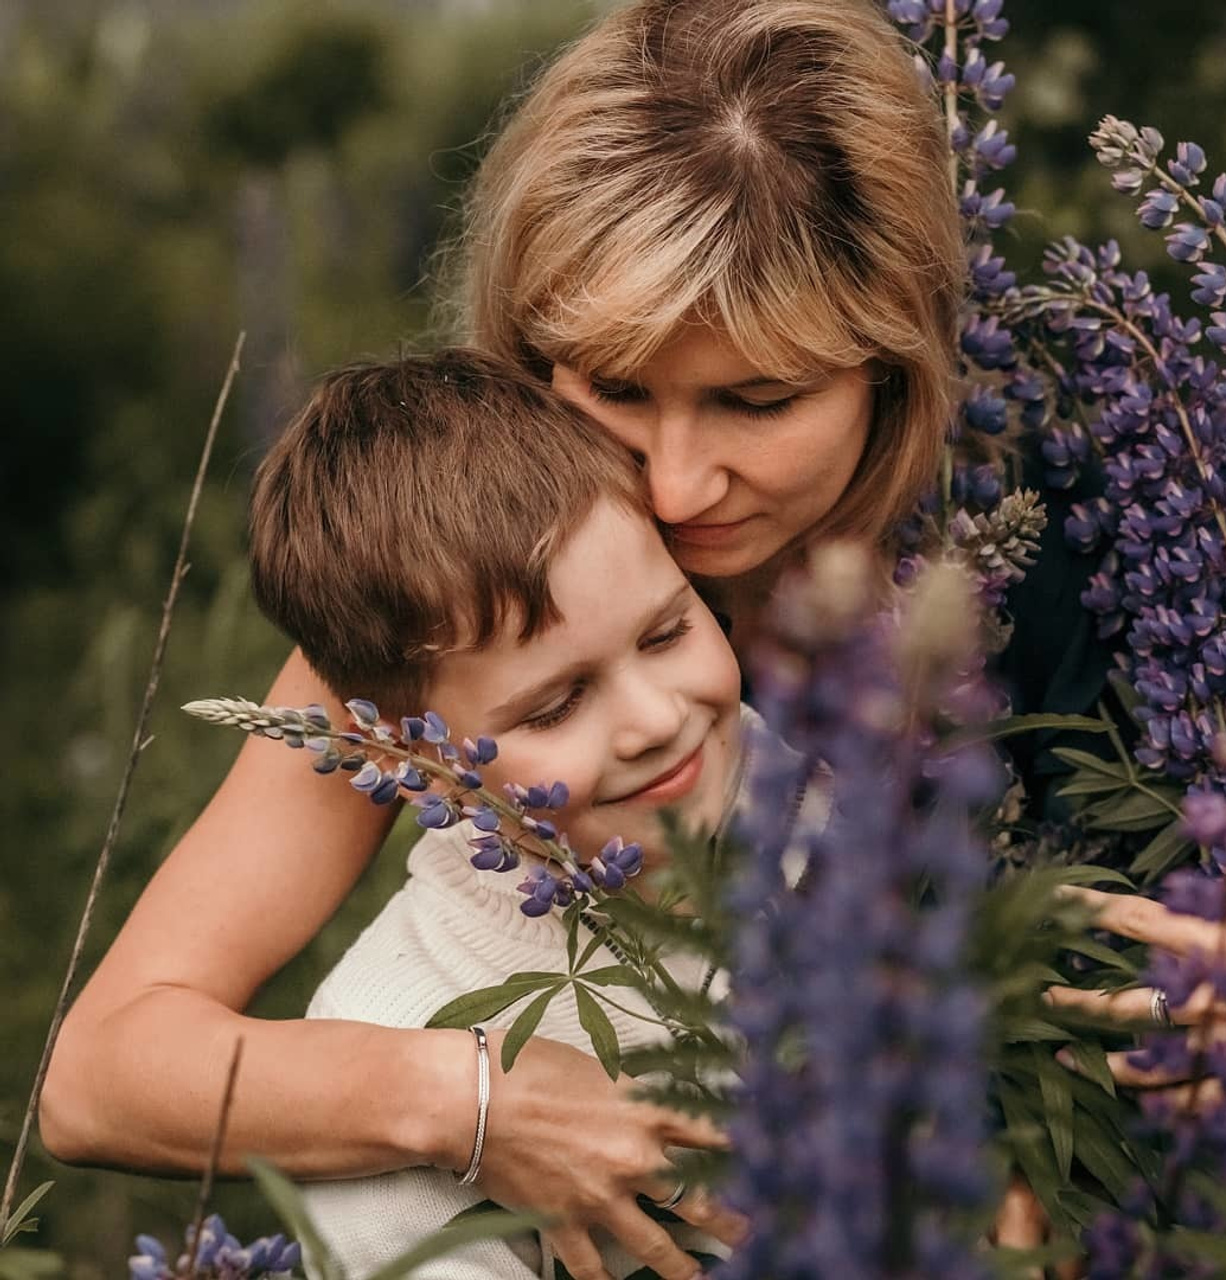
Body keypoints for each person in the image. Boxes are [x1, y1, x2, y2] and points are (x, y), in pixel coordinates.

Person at [38, 0, 1087, 1272]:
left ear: (894, 360)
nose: (681, 482)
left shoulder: (1058, 542)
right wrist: (482, 1102)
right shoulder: (477, 578)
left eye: (756, 400)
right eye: (616, 386)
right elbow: (100, 1075)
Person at [245, 348, 826, 1277]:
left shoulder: (817, 795)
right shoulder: (396, 1045)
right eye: (556, 706)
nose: (658, 719)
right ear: (420, 769)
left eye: (669, 631)